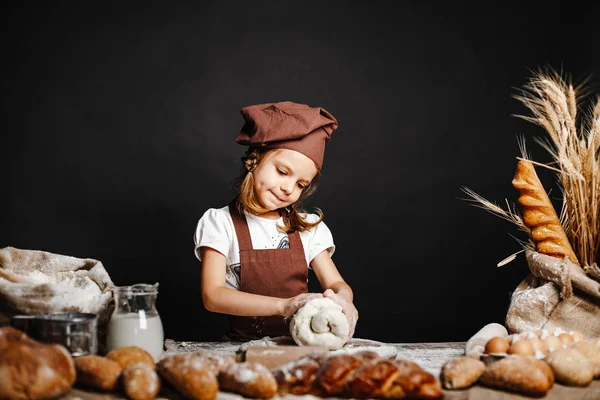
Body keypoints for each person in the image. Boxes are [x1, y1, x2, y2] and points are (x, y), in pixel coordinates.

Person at [194, 101, 358, 341]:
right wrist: (285, 306)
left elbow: (336, 284)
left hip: (301, 347)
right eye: (282, 172)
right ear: (254, 160)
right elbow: (213, 296)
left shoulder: (306, 227)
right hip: (243, 348)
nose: (288, 188)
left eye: (301, 184)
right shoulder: (220, 223)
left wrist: (343, 299)